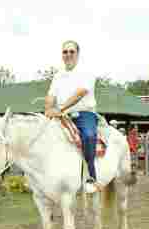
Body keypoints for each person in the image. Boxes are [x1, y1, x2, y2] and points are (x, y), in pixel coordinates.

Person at [44, 40, 100, 193]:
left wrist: (60, 108)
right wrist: (47, 110)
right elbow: (50, 95)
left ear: (77, 54)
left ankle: (90, 175)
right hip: (62, 115)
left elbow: (81, 93)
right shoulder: (58, 76)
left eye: (71, 51)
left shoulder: (87, 71)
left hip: (84, 114)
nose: (68, 54)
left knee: (88, 136)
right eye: (65, 52)